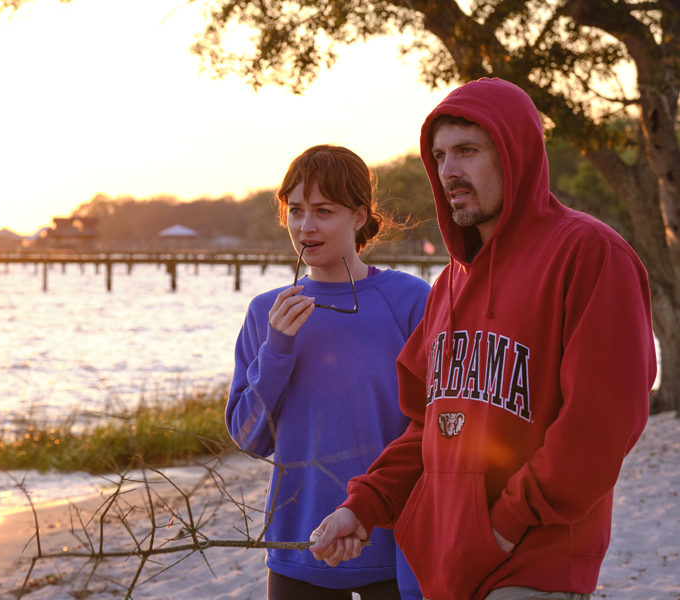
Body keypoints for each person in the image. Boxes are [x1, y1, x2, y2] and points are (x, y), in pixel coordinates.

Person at [309, 78, 658, 600]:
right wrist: (364, 505)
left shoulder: (588, 254)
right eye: (439, 155)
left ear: (515, 153)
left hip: (532, 565)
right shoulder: (451, 283)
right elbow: (428, 426)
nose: (448, 170)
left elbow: (602, 421)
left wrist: (505, 525)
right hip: (450, 569)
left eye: (467, 151)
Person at [227, 144, 430, 599]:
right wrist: (277, 349)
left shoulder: (411, 300)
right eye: (295, 210)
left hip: (397, 545)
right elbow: (248, 437)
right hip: (300, 548)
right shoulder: (267, 312)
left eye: (323, 211)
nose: (306, 226)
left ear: (359, 216)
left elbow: (433, 427)